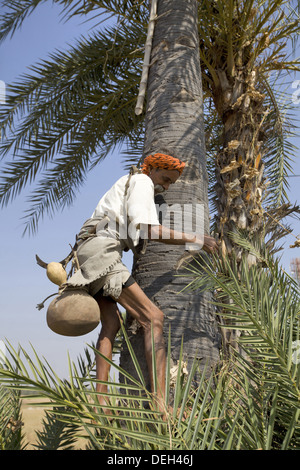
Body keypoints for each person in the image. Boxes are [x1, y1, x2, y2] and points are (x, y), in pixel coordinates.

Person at [65, 153, 218, 416]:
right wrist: (199, 239)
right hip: (103, 252)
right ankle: (159, 404)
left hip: (87, 253)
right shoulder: (141, 182)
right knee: (153, 318)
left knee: (111, 325)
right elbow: (150, 230)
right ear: (154, 168)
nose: (166, 186)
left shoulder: (126, 183)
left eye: (171, 183)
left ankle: (100, 404)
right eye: (166, 178)